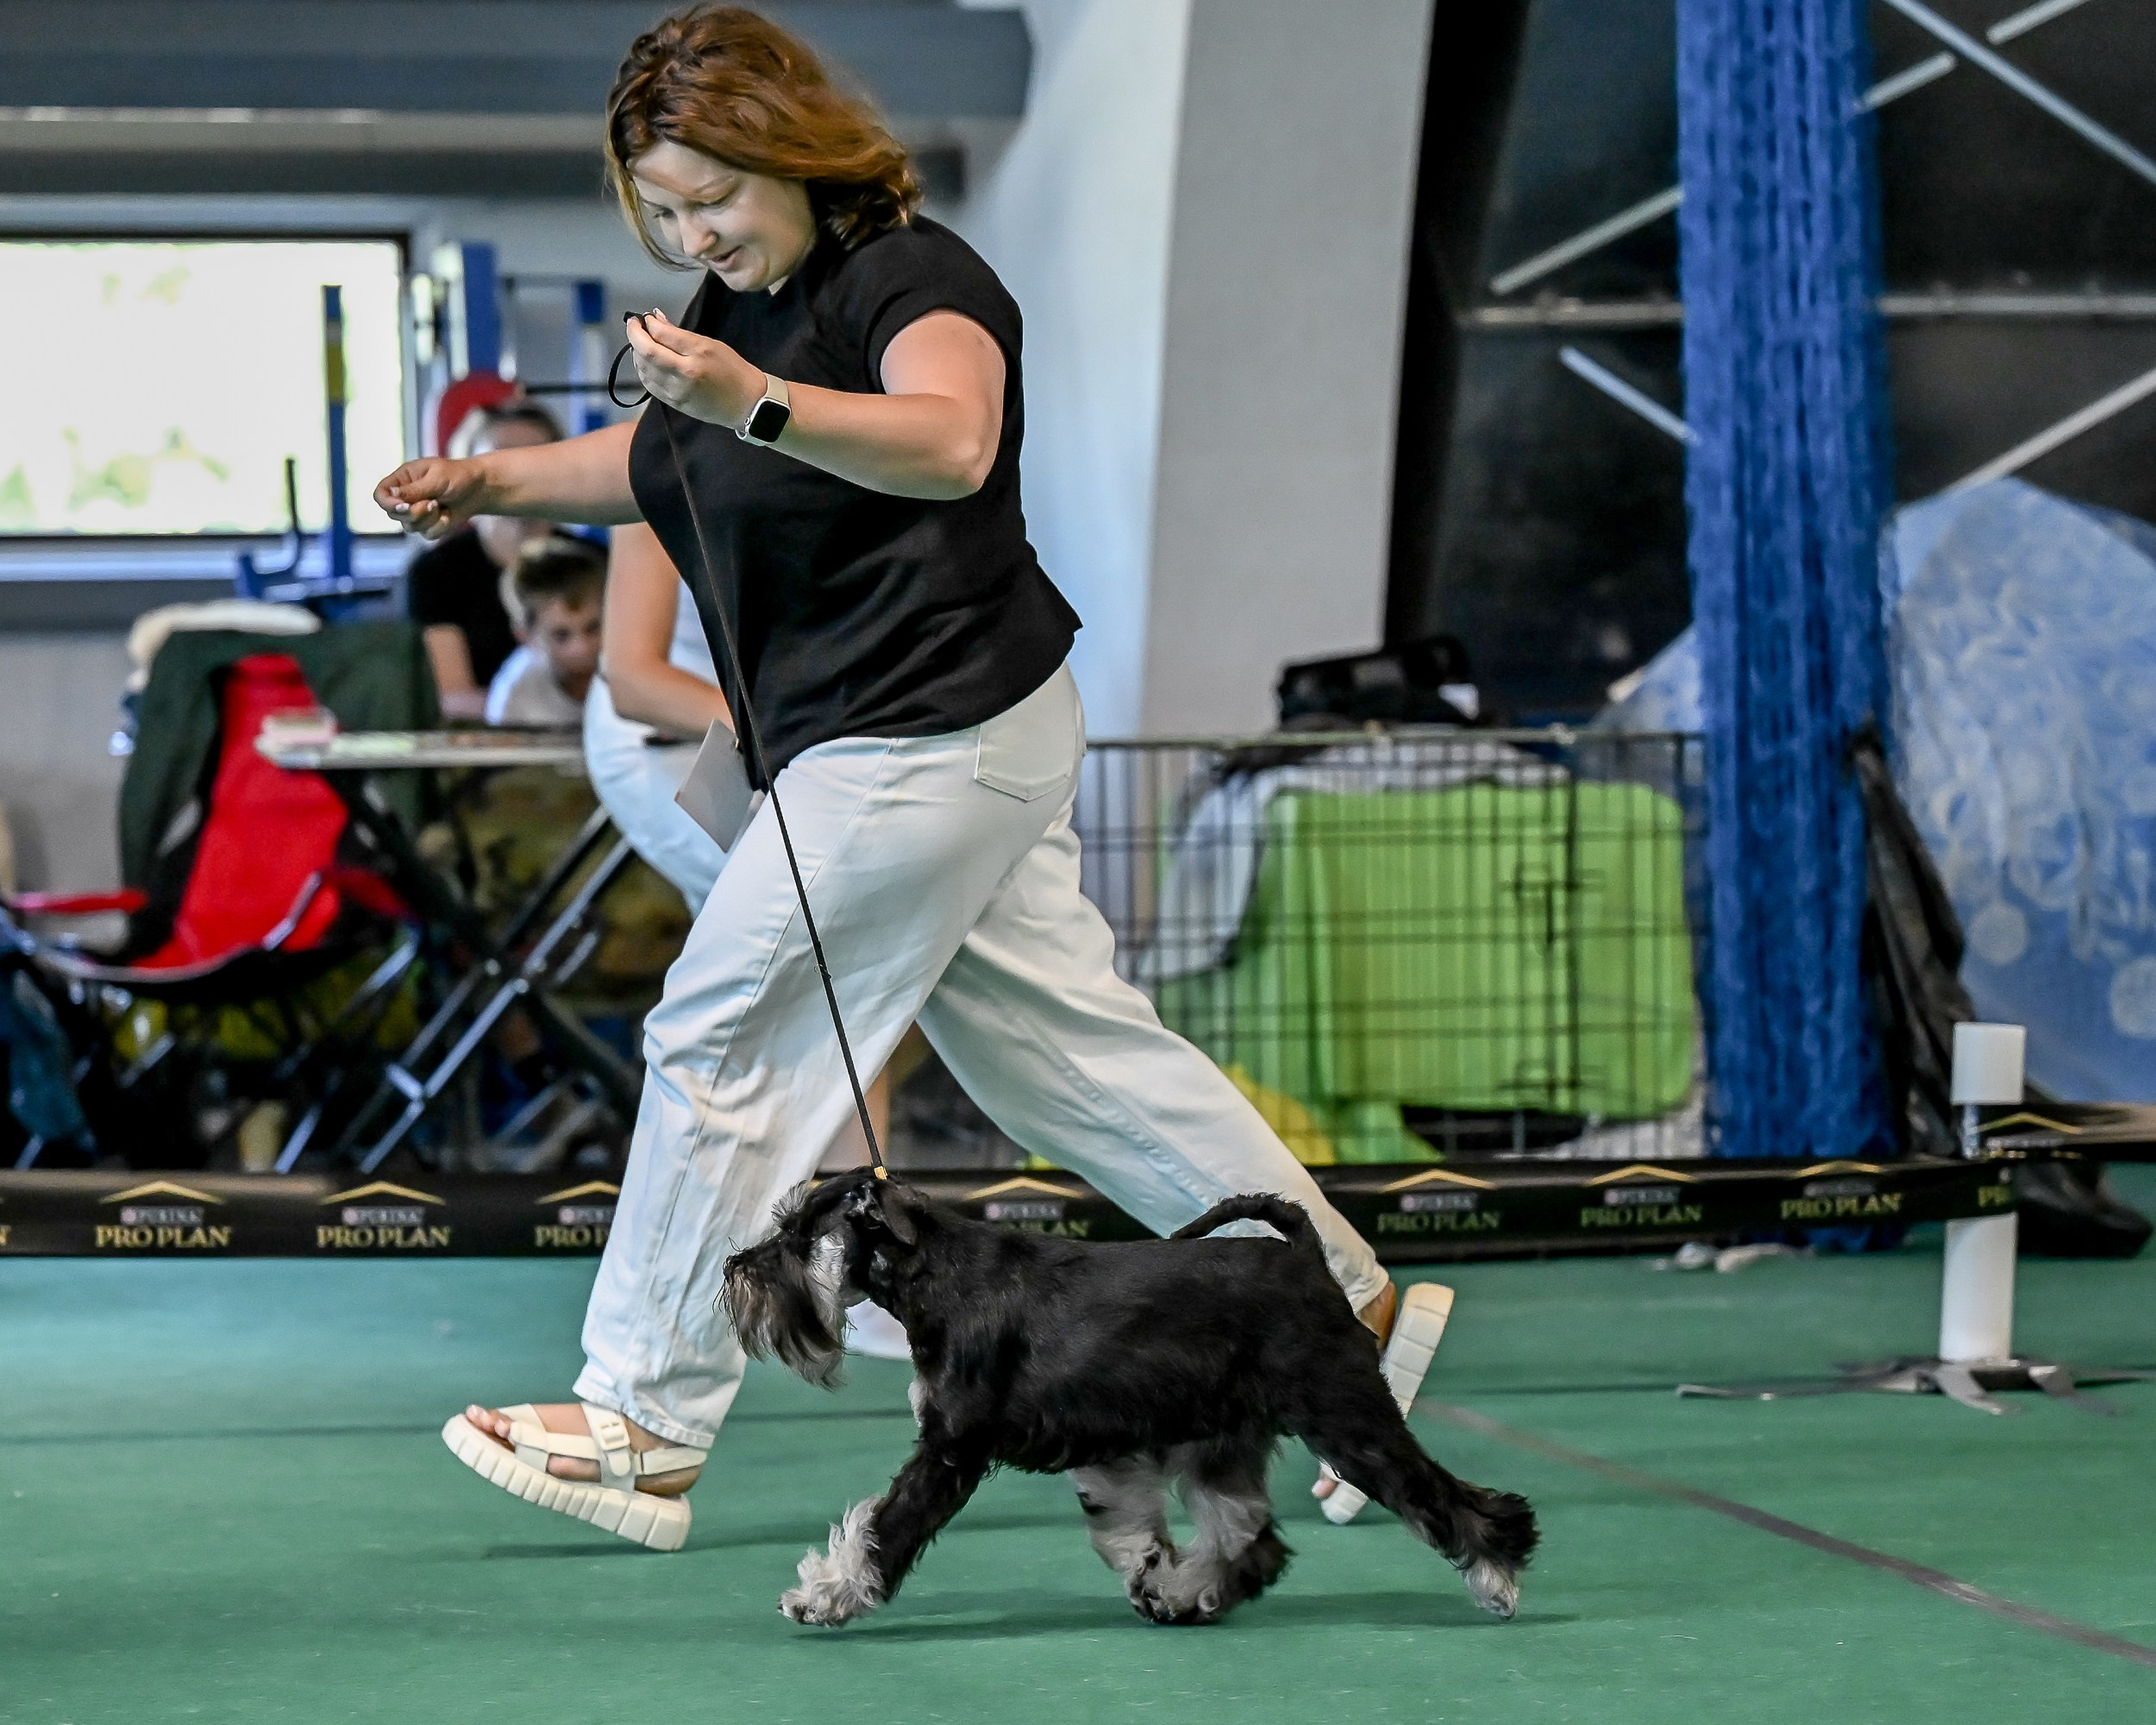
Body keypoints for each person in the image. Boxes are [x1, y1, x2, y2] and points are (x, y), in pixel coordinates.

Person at [377, 3, 1411, 1548]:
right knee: (1065, 1060)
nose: (688, 230)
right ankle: (1349, 1306)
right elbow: (659, 465)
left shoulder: (913, 278)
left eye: (709, 194)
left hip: (929, 730)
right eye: (659, 208)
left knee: (720, 1028)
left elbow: (947, 439)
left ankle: (640, 1422)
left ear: (787, 148)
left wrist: (750, 399)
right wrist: (486, 483)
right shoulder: (740, 317)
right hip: (919, 737)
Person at [405, 400, 565, 719]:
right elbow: (454, 697)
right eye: (500, 459)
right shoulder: (437, 573)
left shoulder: (592, 561)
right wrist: (543, 714)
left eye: (536, 456)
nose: (519, 471)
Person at [486, 536, 606, 726]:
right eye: (561, 635)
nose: (582, 648)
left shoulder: (632, 666)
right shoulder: (515, 693)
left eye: (593, 628)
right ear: (526, 637)